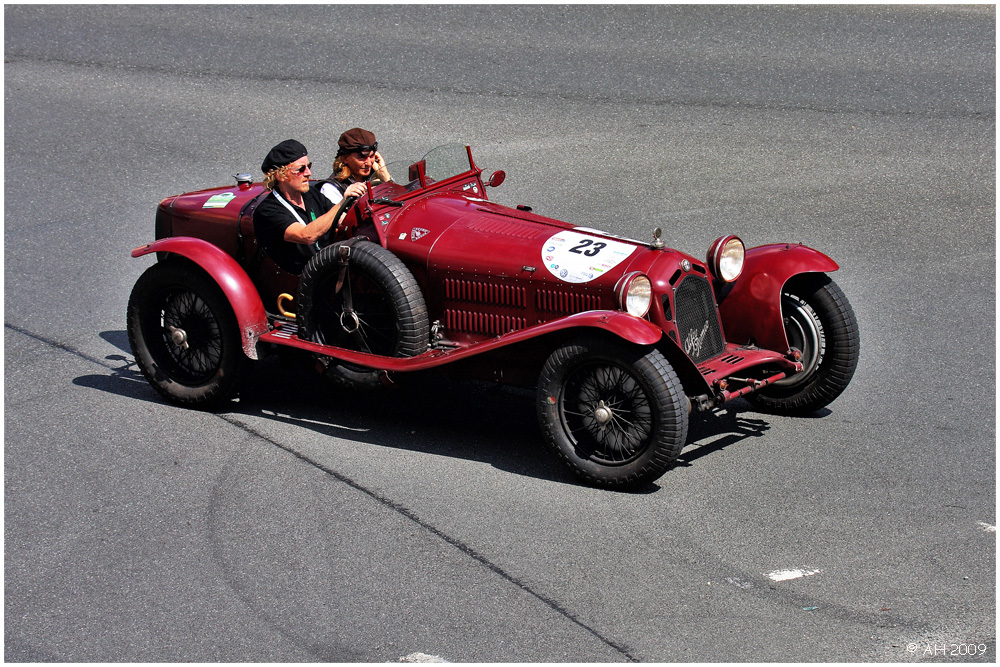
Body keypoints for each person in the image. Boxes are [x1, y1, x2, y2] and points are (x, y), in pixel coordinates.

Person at [252, 139, 347, 275]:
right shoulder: (268, 211)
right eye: (301, 169)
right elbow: (306, 235)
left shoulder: (311, 194)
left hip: (327, 269)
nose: (308, 173)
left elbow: (341, 218)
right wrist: (342, 203)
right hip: (303, 281)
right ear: (281, 175)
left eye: (309, 166)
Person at [319, 127, 391, 207]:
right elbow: (339, 218)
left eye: (371, 156)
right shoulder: (331, 189)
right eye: (362, 157)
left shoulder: (378, 177)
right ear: (345, 158)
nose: (368, 163)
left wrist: (385, 176)